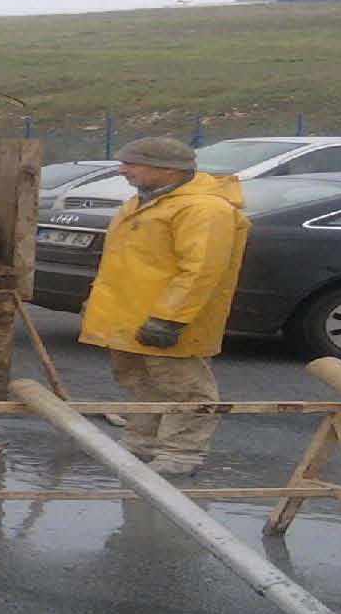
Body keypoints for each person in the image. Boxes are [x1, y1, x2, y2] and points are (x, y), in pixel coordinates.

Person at [78, 136, 250, 478]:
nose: (122, 170)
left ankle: (181, 453)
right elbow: (128, 262)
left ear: (167, 170)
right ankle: (142, 441)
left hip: (167, 319)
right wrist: (98, 303)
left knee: (184, 388)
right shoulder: (144, 201)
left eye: (132, 163)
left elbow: (201, 270)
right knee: (139, 381)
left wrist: (170, 318)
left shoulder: (203, 209)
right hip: (129, 317)